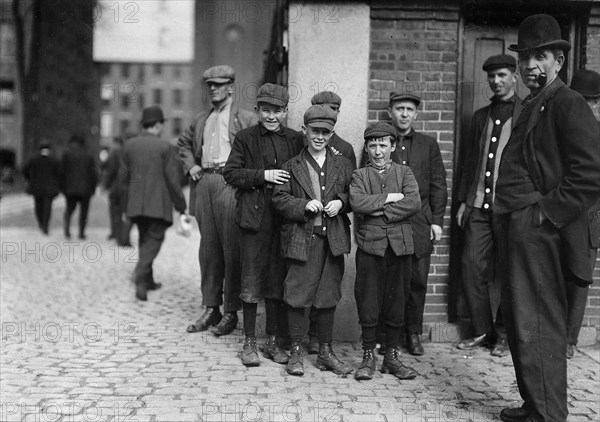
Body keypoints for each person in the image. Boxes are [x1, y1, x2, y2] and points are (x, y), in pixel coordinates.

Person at [493, 14, 600, 422]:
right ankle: (535, 405)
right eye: (526, 58)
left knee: (538, 321)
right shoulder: (533, 103)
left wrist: (545, 214)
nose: (531, 66)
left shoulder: (567, 102)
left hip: (536, 228)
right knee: (523, 321)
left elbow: (590, 173)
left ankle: (549, 415)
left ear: (558, 59)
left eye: (540, 57)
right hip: (515, 224)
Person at [223, 83, 304, 367]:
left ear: (285, 112)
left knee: (276, 281)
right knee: (250, 279)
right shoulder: (245, 137)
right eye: (266, 110)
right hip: (254, 221)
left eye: (277, 111)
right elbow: (231, 173)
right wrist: (263, 175)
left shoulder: (295, 139)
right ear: (258, 110)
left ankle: (272, 341)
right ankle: (248, 343)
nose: (271, 117)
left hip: (284, 221)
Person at [272, 104, 354, 376]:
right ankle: (296, 351)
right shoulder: (292, 165)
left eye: (326, 132)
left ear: (332, 133)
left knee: (328, 294)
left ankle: (325, 352)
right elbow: (279, 199)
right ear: (304, 130)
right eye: (315, 131)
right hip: (301, 240)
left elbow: (354, 194)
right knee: (297, 294)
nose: (320, 136)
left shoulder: (342, 164)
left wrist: (340, 204)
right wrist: (303, 206)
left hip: (332, 241)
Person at [178, 65, 257, 336]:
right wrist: (191, 166)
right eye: (210, 84)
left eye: (219, 84)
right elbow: (183, 144)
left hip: (231, 184)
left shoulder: (246, 118)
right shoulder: (201, 119)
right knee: (208, 251)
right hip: (205, 185)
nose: (213, 88)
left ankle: (231, 312)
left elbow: (257, 150)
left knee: (231, 249)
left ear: (231, 87)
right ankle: (212, 308)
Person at [454, 54, 522, 357]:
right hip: (478, 207)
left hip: (511, 211)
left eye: (503, 75)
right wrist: (463, 202)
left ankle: (506, 334)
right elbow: (469, 162)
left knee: (512, 272)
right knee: (471, 265)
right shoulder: (481, 116)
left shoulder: (527, 113)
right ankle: (483, 330)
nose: (496, 81)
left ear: (515, 77)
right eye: (492, 76)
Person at [374, 92, 447, 356]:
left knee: (417, 281)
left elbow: (438, 184)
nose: (404, 114)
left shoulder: (428, 144)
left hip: (418, 223)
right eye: (399, 108)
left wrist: (436, 221)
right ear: (390, 111)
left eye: (409, 109)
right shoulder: (378, 142)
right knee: (387, 280)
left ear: (416, 114)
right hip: (387, 221)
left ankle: (412, 333)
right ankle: (383, 335)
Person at [350, 122, 421, 381]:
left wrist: (377, 209)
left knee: (397, 300)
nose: (378, 151)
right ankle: (369, 356)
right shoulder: (360, 176)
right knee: (368, 299)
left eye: (383, 145)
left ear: (393, 146)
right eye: (372, 145)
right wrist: (392, 199)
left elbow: (414, 202)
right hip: (371, 246)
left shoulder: (405, 173)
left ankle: (392, 357)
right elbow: (357, 202)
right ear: (366, 148)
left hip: (400, 248)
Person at [306, 91, 357, 354]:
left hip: (332, 227)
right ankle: (297, 337)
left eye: (335, 108)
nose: (330, 112)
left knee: (328, 283)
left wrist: (341, 201)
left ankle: (319, 337)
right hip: (306, 226)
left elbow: (354, 190)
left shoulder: (345, 149)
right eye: (323, 107)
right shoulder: (305, 142)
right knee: (303, 282)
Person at [119, 106, 187, 301]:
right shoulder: (165, 147)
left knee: (143, 240)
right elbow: (173, 180)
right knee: (153, 242)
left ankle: (147, 281)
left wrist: (125, 208)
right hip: (157, 204)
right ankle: (140, 276)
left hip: (136, 205)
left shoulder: (129, 145)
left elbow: (122, 180)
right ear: (157, 125)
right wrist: (181, 206)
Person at [565, 69, 600, 359]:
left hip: (589, 219)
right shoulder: (562, 132)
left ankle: (569, 340)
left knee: (579, 278)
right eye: (580, 101)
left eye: (591, 101)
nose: (586, 107)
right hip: (562, 215)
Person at [60, 135, 98, 240]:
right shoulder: (88, 154)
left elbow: (62, 171)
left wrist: (62, 187)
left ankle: (67, 230)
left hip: (70, 187)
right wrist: (93, 187)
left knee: (69, 209)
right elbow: (93, 173)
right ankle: (81, 232)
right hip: (86, 188)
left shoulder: (67, 153)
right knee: (84, 211)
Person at [23, 144, 61, 235]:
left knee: (38, 206)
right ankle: (45, 226)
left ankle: (40, 223)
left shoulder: (34, 159)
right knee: (47, 207)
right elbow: (59, 173)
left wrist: (29, 179)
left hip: (36, 186)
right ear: (49, 149)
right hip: (50, 187)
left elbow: (25, 169)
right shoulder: (54, 160)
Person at [102, 136, 132, 247]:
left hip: (115, 186)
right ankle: (124, 238)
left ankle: (116, 234)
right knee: (126, 212)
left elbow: (109, 169)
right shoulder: (128, 152)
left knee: (115, 211)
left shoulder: (112, 152)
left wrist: (106, 185)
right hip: (126, 186)